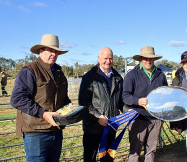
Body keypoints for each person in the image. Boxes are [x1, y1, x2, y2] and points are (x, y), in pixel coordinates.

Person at [10, 34, 71, 162]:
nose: (53, 54)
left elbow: (63, 98)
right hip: (36, 133)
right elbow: (17, 98)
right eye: (50, 50)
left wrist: (70, 108)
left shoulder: (59, 73)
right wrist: (43, 114)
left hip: (56, 130)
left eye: (56, 51)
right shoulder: (30, 71)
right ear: (41, 51)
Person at [78, 47, 124, 162]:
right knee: (90, 157)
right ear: (98, 58)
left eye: (111, 58)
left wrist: (130, 113)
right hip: (93, 127)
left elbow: (121, 102)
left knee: (108, 158)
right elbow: (84, 102)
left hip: (111, 126)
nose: (108, 61)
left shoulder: (118, 78)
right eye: (105, 58)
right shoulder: (89, 77)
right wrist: (97, 116)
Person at [123, 46, 168, 162]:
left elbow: (165, 95)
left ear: (154, 60)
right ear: (140, 59)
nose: (148, 61)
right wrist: (137, 101)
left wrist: (163, 115)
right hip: (138, 119)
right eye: (145, 58)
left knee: (151, 151)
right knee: (135, 151)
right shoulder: (132, 75)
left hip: (155, 119)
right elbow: (125, 96)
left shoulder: (160, 75)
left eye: (151, 59)